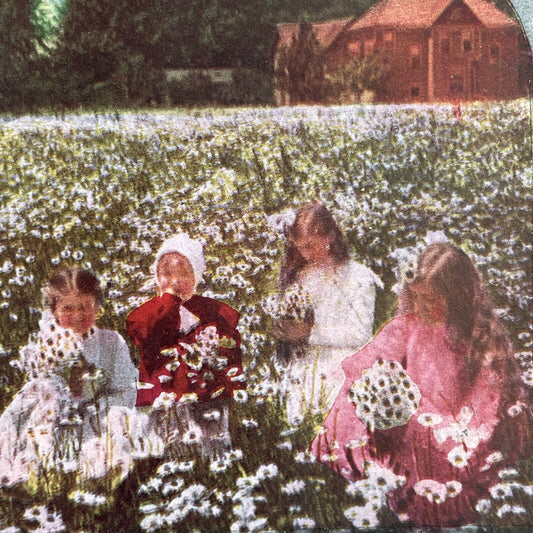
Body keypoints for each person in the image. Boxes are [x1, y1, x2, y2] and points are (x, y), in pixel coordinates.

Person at [310, 242, 531, 528]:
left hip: (457, 425)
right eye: (418, 299)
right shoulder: (405, 328)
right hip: (402, 427)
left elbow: (487, 398)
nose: (424, 308)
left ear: (459, 297)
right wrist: (380, 402)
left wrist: (438, 424)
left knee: (449, 462)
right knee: (350, 412)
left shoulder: (479, 337)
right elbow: (371, 370)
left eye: (434, 299)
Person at [0, 268, 148, 487]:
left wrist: (98, 406)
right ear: (54, 311)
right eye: (68, 308)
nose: (78, 315)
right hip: (53, 416)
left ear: (97, 307)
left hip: (99, 416)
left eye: (85, 307)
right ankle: (31, 473)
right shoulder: (49, 344)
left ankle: (98, 480)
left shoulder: (111, 342)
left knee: (115, 439)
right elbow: (40, 382)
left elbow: (125, 387)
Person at [126, 233, 246, 457]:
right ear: (156, 276)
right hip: (164, 396)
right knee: (169, 447)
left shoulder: (212, 312)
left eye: (184, 273)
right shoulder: (147, 313)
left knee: (208, 446)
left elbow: (229, 349)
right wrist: (169, 302)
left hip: (204, 394)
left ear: (197, 276)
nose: (174, 281)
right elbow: (148, 336)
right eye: (167, 273)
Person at [273, 201, 382, 424]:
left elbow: (360, 333)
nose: (306, 254)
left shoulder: (358, 277)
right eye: (300, 247)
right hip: (303, 369)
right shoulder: (302, 276)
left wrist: (309, 334)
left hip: (341, 368)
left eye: (311, 245)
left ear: (330, 236)